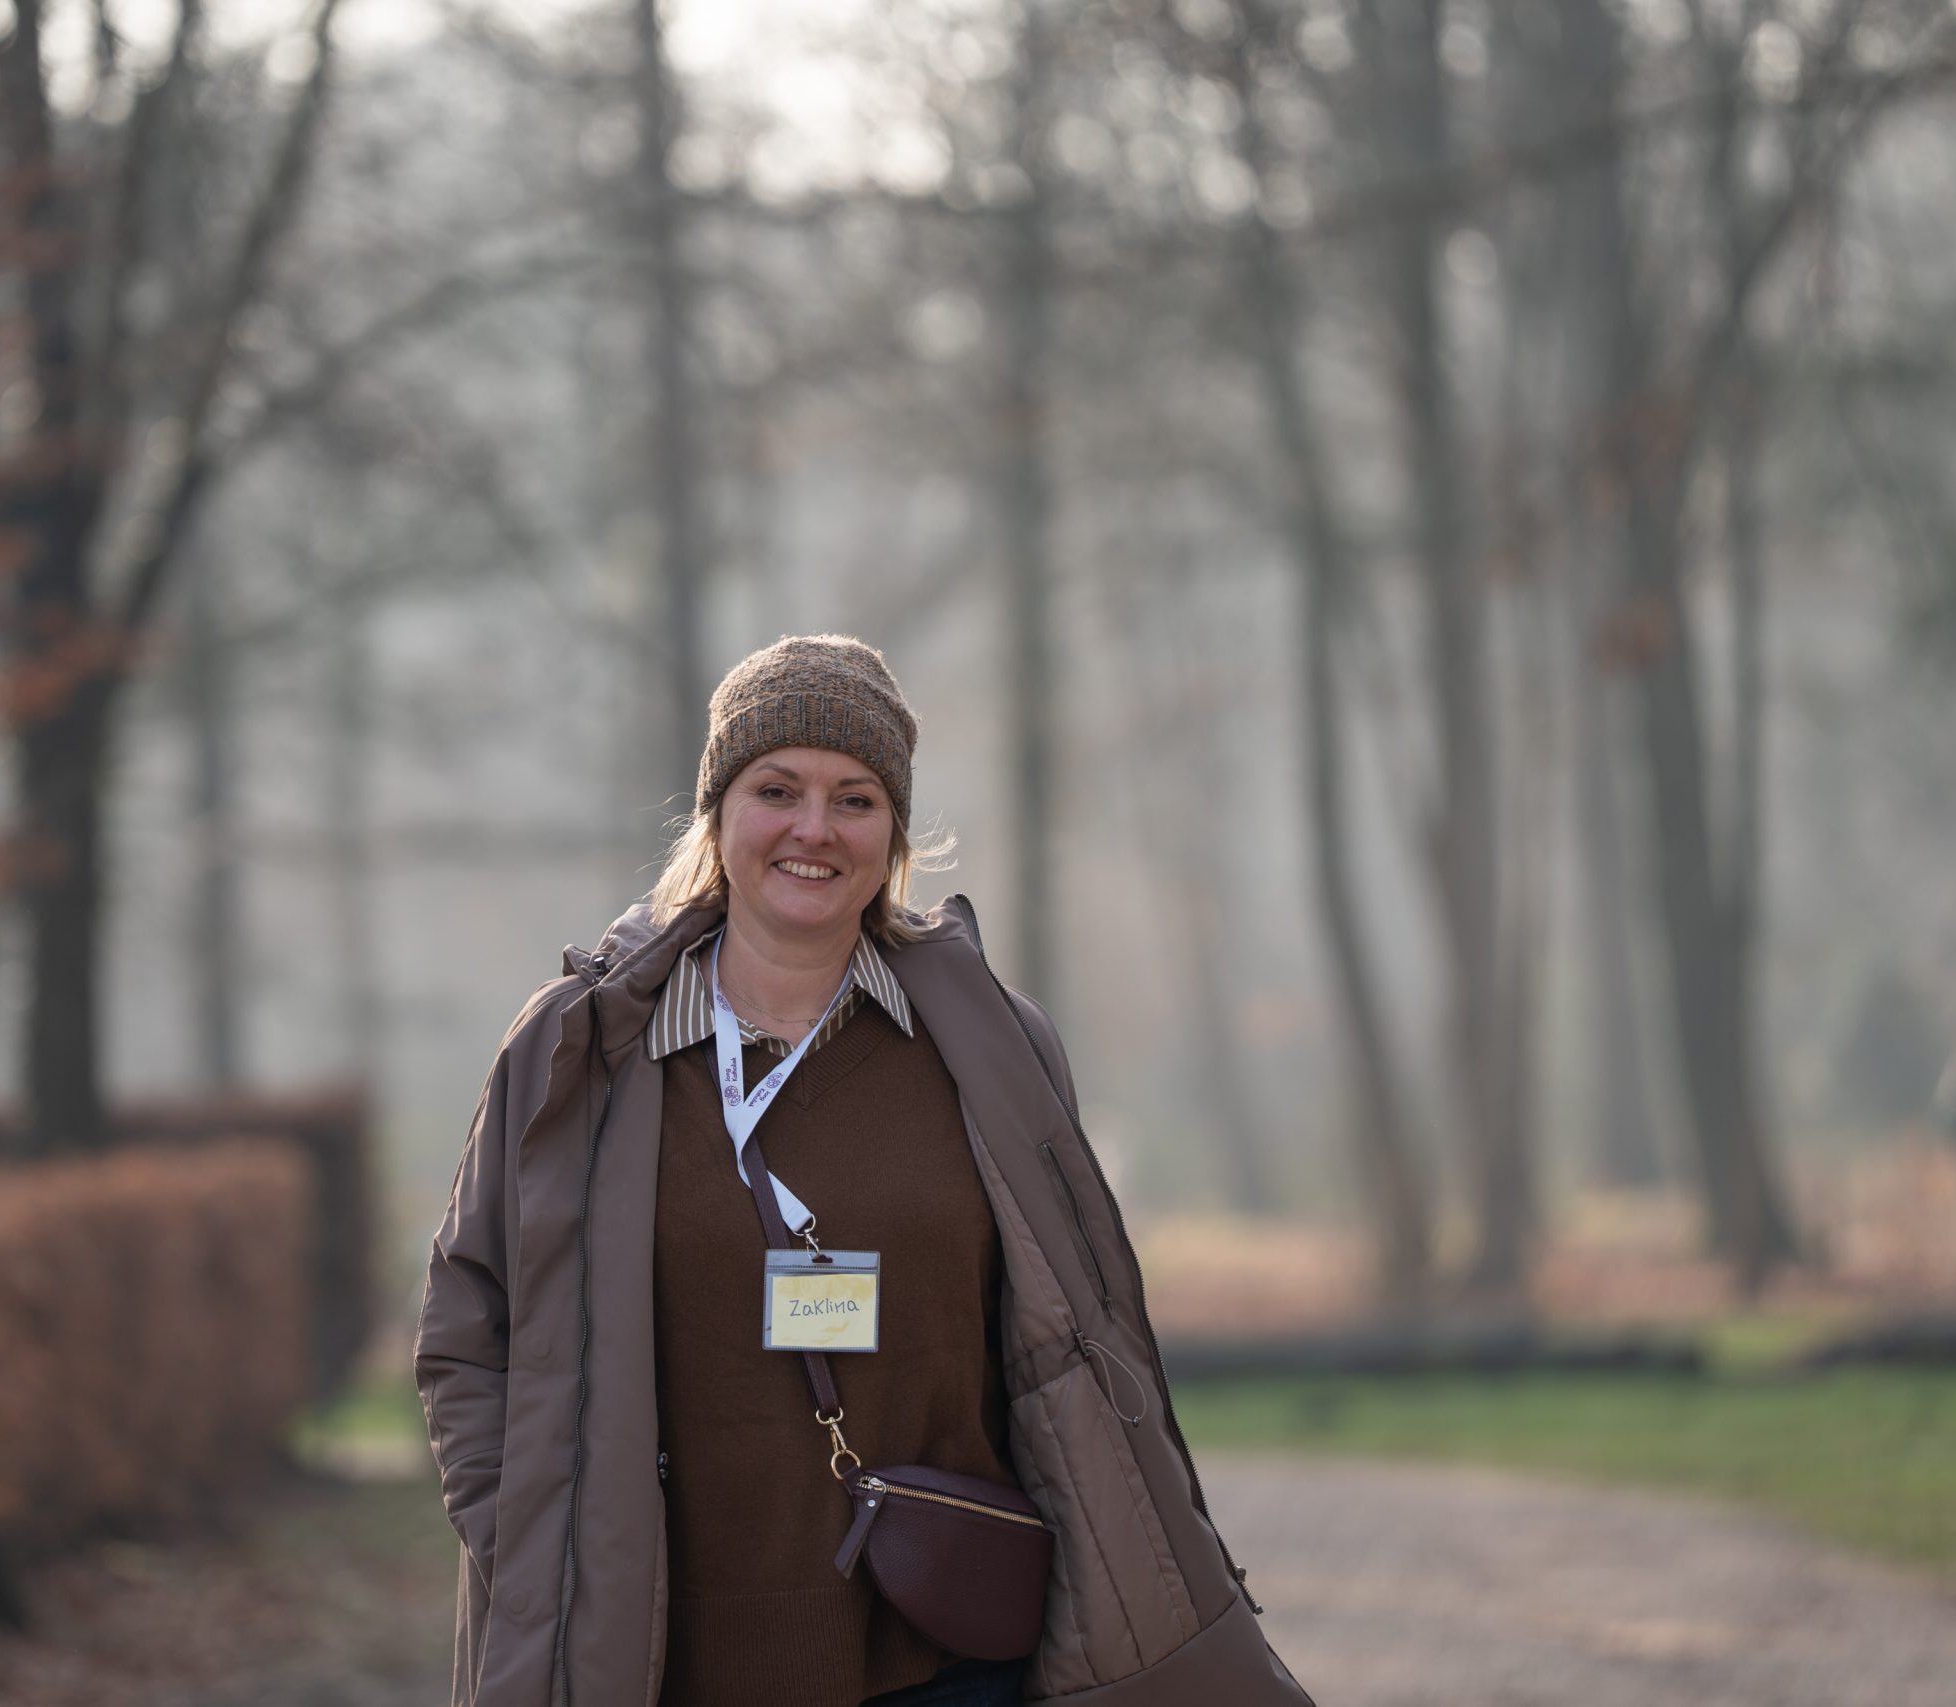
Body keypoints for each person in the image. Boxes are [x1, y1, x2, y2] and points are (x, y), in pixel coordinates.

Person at [415, 636, 1310, 1707]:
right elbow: (468, 1326)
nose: (814, 829)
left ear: (893, 834)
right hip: (663, 1663)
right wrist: (530, 1549)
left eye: (855, 799)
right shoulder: (583, 1051)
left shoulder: (991, 1048)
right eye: (776, 790)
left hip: (948, 1654)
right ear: (717, 814)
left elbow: (1073, 1332)